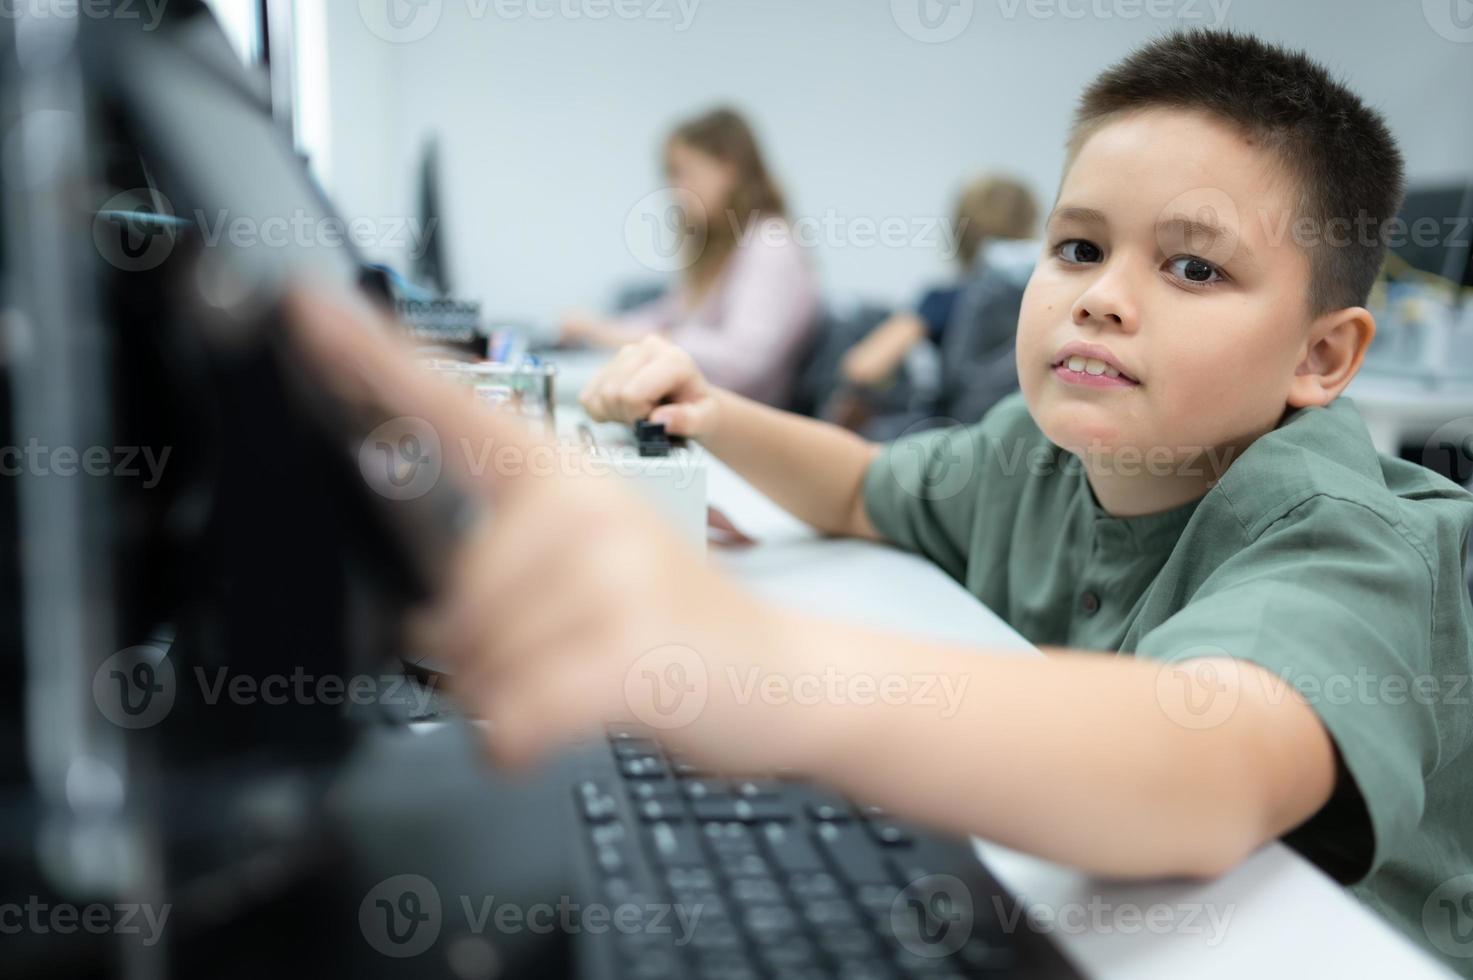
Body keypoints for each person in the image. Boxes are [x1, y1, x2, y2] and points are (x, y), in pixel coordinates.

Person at [291, 31, 1473, 974]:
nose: (1102, 299)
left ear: (1323, 357)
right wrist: (715, 409)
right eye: (1075, 247)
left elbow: (1206, 766)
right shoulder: (1035, 451)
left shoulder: (1347, 535)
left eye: (1194, 266)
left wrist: (753, 662)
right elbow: (866, 484)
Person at [558, 107, 818, 407]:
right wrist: (600, 329)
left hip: (738, 422)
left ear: (728, 168)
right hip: (704, 410)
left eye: (685, 172)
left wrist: (636, 339)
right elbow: (672, 314)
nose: (675, 190)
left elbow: (742, 361)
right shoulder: (722, 246)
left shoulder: (771, 245)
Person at [837, 174, 1038, 392]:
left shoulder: (946, 299)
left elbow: (864, 367)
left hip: (958, 422)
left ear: (957, 231)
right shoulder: (1045, 301)